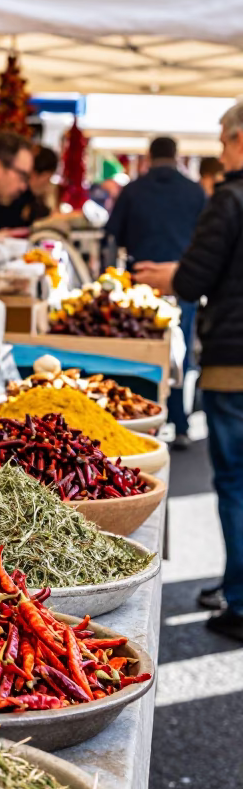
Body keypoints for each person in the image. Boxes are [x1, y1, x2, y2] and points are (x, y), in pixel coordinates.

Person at [133, 101, 243, 643]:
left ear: (239, 139)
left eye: (224, 141)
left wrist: (170, 275)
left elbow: (199, 275)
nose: (221, 153)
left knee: (235, 481)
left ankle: (240, 600)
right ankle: (235, 584)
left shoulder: (229, 197)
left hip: (235, 361)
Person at [106, 136, 207, 448]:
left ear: (149, 157)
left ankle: (137, 421)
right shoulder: (195, 192)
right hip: (182, 282)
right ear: (176, 156)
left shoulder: (132, 190)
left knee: (138, 352)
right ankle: (179, 423)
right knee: (180, 353)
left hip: (141, 284)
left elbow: (112, 237)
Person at [0, 145, 58, 233]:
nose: (48, 183)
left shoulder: (30, 196)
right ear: (35, 174)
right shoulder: (16, 194)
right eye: (47, 178)